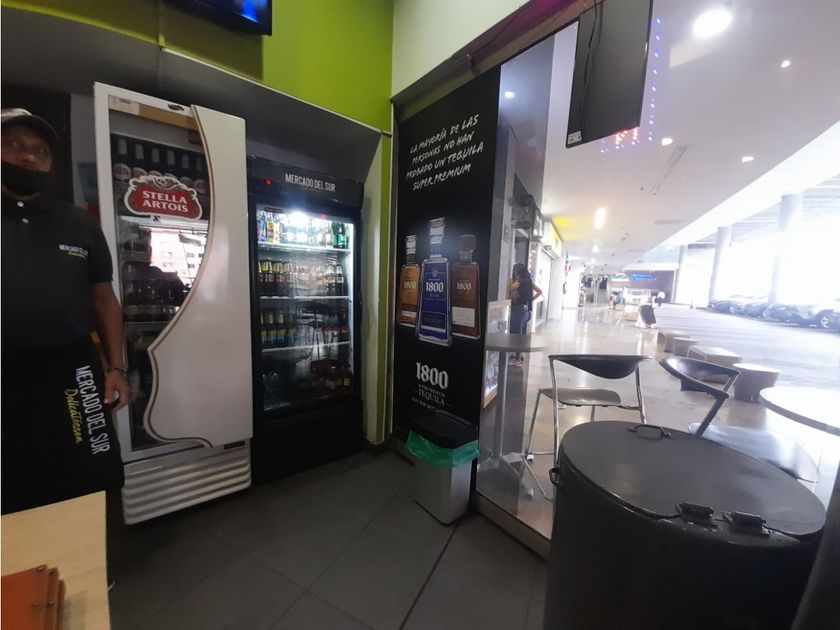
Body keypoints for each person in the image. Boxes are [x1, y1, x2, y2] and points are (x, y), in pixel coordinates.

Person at [1, 108, 127, 514]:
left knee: (88, 475)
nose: (28, 157)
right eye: (13, 145)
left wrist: (117, 368)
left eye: (40, 151)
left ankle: (83, 553)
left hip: (74, 372)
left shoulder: (78, 223)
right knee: (13, 484)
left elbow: (104, 299)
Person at [509, 263, 543, 365]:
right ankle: (520, 355)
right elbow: (539, 291)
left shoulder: (522, 284)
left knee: (517, 335)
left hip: (519, 310)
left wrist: (511, 292)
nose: (515, 274)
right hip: (526, 311)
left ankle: (517, 358)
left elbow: (514, 297)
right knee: (522, 334)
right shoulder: (529, 282)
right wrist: (530, 300)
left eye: (516, 272)